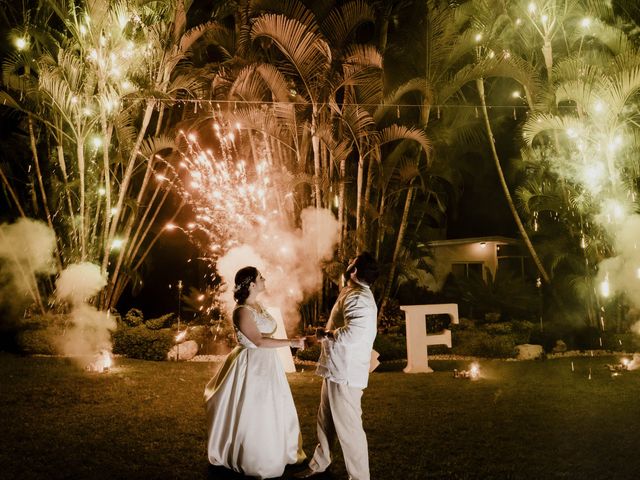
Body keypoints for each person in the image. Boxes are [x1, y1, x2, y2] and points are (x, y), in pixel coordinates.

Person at [204, 266, 306, 479]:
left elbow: (266, 334)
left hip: (269, 364)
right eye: (260, 277)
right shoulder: (242, 311)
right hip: (251, 365)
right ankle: (256, 458)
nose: (264, 279)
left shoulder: (258, 305)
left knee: (275, 405)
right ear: (251, 284)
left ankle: (280, 450)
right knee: (255, 409)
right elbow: (258, 341)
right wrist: (292, 342)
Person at [295, 252, 379, 480]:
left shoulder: (359, 298)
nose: (348, 263)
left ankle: (360, 477)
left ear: (354, 271)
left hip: (346, 372)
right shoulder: (353, 292)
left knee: (349, 429)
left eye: (352, 262)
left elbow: (353, 333)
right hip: (336, 369)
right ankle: (320, 463)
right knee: (326, 420)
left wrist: (327, 334)